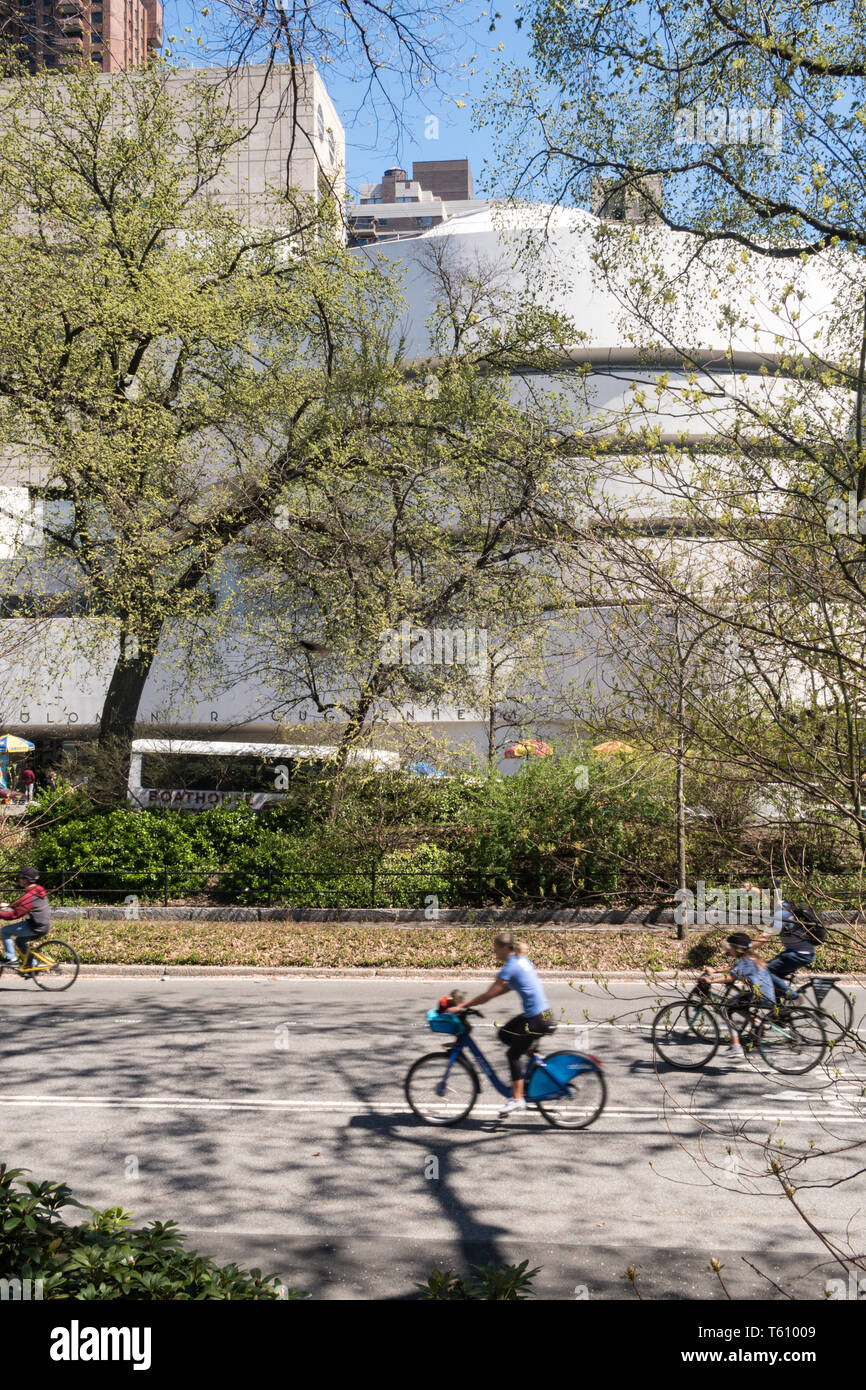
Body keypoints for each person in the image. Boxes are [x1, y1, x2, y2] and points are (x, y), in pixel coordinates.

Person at [446, 931, 555, 1117]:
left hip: (537, 1019)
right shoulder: (522, 959)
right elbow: (506, 987)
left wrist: (462, 1006)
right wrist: (483, 999)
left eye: (496, 950)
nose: (494, 954)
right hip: (541, 1014)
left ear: (505, 948)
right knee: (504, 1034)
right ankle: (534, 1058)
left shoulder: (510, 966)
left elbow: (488, 995)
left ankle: (517, 1099)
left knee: (512, 1054)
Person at [700, 931, 776, 1063]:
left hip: (760, 995)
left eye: (730, 948)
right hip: (763, 993)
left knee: (726, 1009)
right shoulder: (749, 957)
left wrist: (711, 981)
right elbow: (735, 968)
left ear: (737, 949)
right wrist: (716, 971)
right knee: (737, 1005)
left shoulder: (745, 961)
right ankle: (758, 1024)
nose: (729, 951)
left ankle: (736, 1046)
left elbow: (731, 976)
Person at [751, 895, 821, 1002]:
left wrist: (748, 948)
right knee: (774, 978)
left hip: (798, 954)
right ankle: (779, 1011)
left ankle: (794, 997)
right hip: (806, 953)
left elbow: (765, 937)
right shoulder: (789, 908)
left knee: (766, 972)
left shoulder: (781, 913)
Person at [0, 867, 51, 973]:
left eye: (20, 878)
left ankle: (12, 959)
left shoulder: (30, 895)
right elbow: (21, 903)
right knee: (19, 941)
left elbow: (15, 915)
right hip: (42, 925)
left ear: (26, 880)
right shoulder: (37, 890)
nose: (19, 880)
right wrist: (9, 905)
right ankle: (32, 966)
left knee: (5, 931)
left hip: (36, 927)